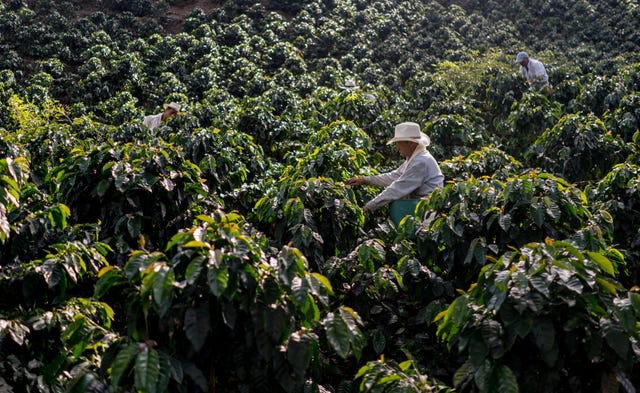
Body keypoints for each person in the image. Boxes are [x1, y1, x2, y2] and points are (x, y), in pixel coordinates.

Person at [346, 122, 443, 224]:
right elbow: (394, 176)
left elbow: (396, 189)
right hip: (419, 208)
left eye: (399, 142)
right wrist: (365, 180)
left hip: (427, 214)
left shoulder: (420, 161)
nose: (397, 147)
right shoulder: (415, 158)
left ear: (411, 143)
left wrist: (368, 207)